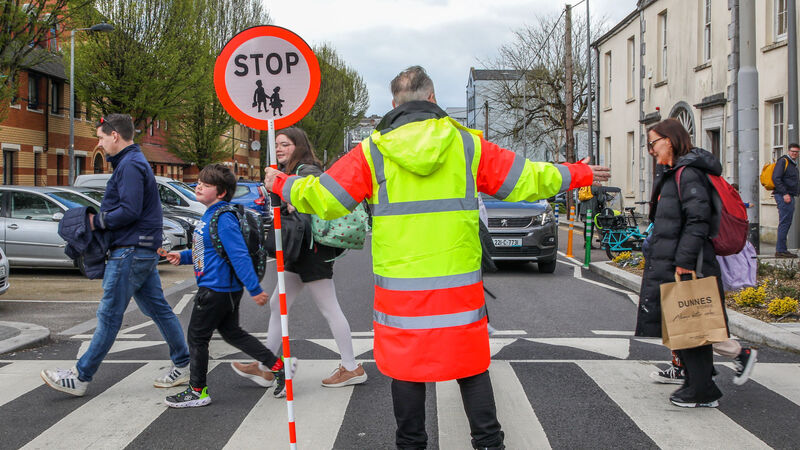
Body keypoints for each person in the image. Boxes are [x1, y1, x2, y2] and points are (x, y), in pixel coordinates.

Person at [263, 65, 609, 449]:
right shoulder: (467, 145)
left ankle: (411, 445)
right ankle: (489, 444)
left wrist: (282, 182)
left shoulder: (372, 152)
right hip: (458, 291)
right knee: (470, 369)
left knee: (406, 373)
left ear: (393, 104)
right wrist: (578, 173)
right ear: (432, 98)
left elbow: (324, 198)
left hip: (401, 295)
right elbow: (526, 179)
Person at [41, 114, 191, 396]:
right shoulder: (133, 162)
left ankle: (81, 377)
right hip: (140, 249)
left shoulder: (130, 165)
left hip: (130, 251)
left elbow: (129, 210)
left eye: (100, 137)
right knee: (157, 308)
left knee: (109, 314)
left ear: (115, 135)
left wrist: (95, 221)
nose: (99, 143)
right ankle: (183, 364)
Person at [233, 127, 368, 389]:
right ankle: (266, 366)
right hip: (300, 249)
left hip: (311, 251)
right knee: (278, 303)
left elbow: (316, 201)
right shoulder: (294, 171)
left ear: (299, 146)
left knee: (329, 308)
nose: (279, 149)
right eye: (277, 145)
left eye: (286, 144)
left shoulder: (307, 171)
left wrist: (291, 199)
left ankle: (351, 367)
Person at [162, 164, 290, 407]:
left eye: (206, 184)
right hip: (221, 289)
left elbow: (238, 254)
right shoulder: (210, 214)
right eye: (200, 182)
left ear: (221, 192)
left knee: (197, 338)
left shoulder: (223, 217)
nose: (199, 186)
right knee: (233, 333)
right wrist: (183, 256)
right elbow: (208, 250)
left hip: (216, 289)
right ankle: (278, 368)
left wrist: (254, 288)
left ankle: (197, 391)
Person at [637, 118, 730, 408]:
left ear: (669, 140)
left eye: (653, 143)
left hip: (686, 263)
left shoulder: (687, 174)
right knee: (683, 325)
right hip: (673, 258)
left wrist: (684, 261)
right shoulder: (676, 172)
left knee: (693, 325)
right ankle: (695, 382)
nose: (651, 150)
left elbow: (698, 220)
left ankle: (703, 390)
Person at [772, 143, 800, 258]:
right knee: (784, 223)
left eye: (796, 152)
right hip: (784, 196)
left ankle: (782, 249)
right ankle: (781, 250)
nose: (794, 153)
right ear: (788, 151)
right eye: (793, 151)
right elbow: (776, 178)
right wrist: (785, 193)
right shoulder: (783, 161)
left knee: (786, 222)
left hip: (789, 195)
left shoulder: (793, 164)